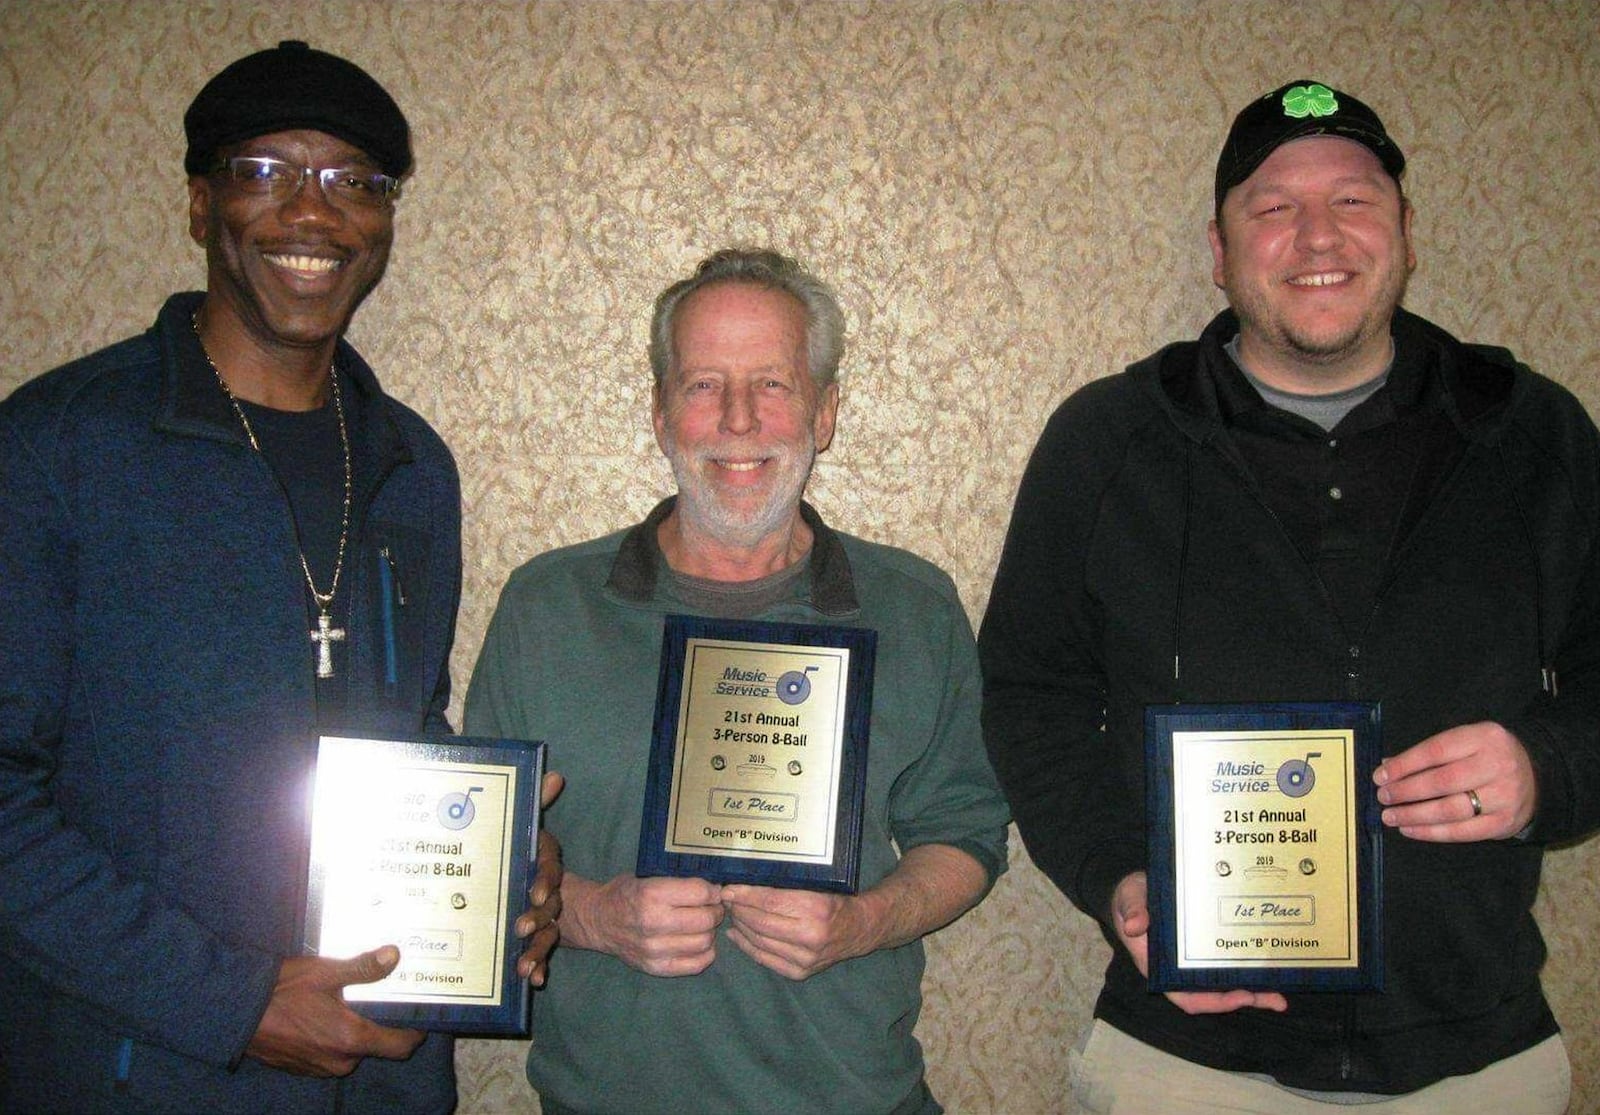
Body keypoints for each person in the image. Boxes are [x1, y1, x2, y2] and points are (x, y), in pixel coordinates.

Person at [980, 80, 1597, 1113]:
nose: (1318, 233)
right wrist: (1117, 875)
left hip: (1479, 1060)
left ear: (1405, 233)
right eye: (1270, 207)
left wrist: (1549, 770)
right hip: (1182, 1063)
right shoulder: (1108, 440)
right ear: (1219, 254)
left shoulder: (1532, 434)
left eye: (1354, 199)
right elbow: (1029, 691)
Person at [0, 41, 560, 1114]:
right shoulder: (55, 449)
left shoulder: (411, 466)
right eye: (267, 171)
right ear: (199, 204)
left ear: (387, 220)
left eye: (355, 181)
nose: (315, 213)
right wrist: (233, 1000)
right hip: (143, 1069)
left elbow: (406, 726)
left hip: (384, 1078)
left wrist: (497, 860)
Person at [465, 247, 1010, 1115]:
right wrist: (596, 913)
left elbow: (966, 834)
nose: (739, 420)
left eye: (774, 385)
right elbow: (475, 857)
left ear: (824, 412)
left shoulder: (913, 606)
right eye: (703, 385)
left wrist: (861, 922)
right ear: (659, 411)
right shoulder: (546, 606)